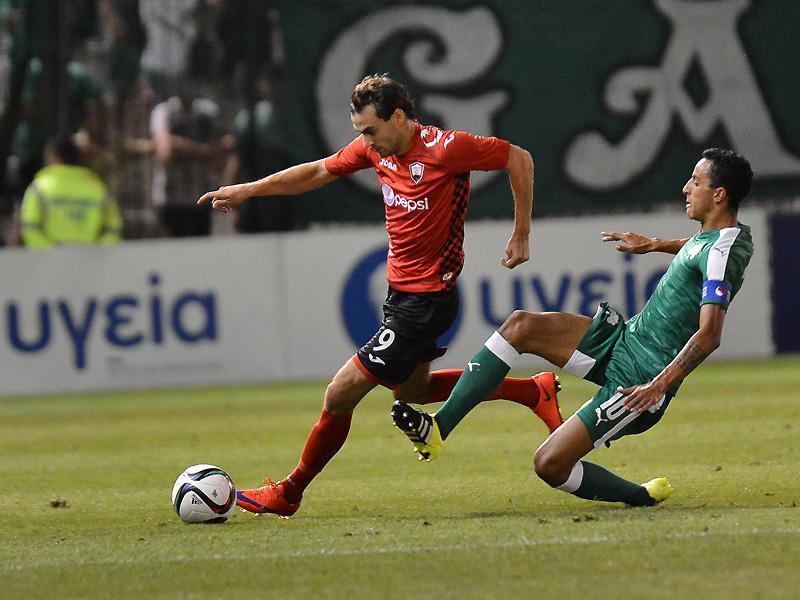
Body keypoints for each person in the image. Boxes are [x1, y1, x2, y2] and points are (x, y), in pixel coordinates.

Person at [197, 74, 563, 517]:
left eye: (371, 130)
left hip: (425, 301)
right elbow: (318, 171)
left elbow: (518, 158)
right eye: (360, 132)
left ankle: (289, 492)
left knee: (339, 394)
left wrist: (521, 233)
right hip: (401, 296)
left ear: (400, 117)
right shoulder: (375, 149)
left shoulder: (446, 147)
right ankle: (532, 392)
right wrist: (250, 189)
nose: (366, 141)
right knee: (415, 392)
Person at [392, 148, 754, 507]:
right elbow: (700, 249)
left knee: (549, 464)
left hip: (642, 379)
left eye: (696, 182)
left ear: (719, 194)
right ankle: (438, 428)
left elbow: (709, 335)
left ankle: (640, 496)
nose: (686, 188)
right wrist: (655, 244)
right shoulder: (723, 238)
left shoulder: (721, 252)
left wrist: (657, 386)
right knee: (520, 326)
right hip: (627, 340)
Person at [20, 135, 122, 248]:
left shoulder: (39, 188)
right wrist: (97, 251)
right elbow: (113, 228)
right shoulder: (98, 188)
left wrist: (51, 253)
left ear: (53, 157)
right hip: (91, 257)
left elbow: (30, 226)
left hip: (50, 258)